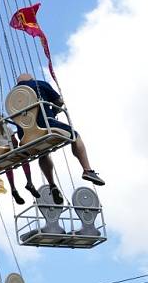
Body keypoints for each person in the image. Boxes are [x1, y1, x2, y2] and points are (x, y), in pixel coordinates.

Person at [13, 73, 104, 203]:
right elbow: (59, 101)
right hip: (46, 125)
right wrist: (54, 111)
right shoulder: (39, 84)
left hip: (25, 135)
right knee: (75, 136)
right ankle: (87, 170)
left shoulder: (12, 96)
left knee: (43, 154)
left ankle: (52, 185)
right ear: (31, 79)